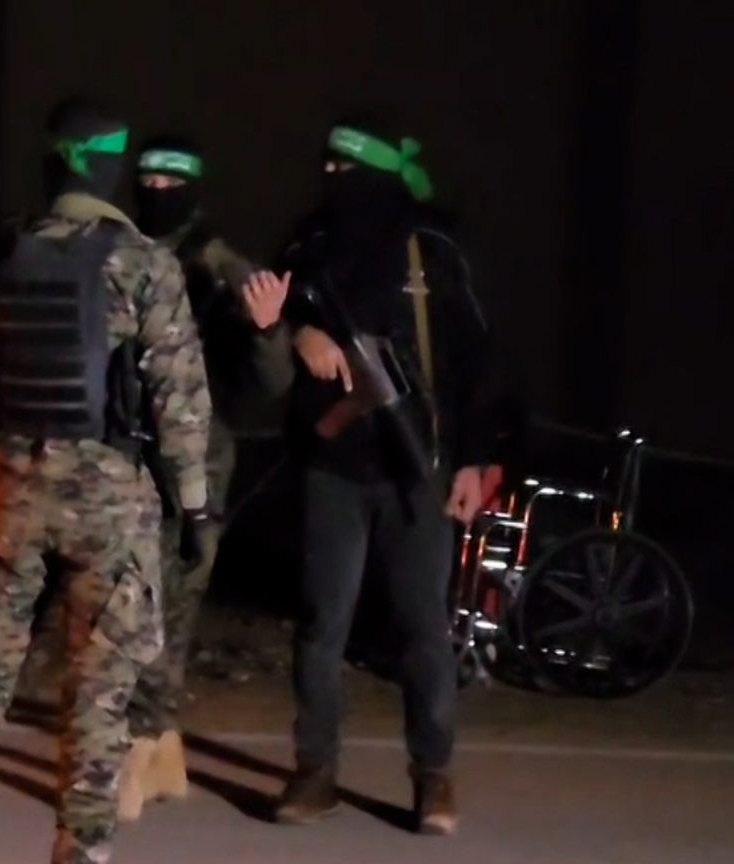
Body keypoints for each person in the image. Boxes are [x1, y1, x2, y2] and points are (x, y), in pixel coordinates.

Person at [0, 98, 213, 864]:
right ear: (112, 169)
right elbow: (179, 398)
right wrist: (194, 508)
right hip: (110, 501)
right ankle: (80, 852)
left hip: (9, 489)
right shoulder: (141, 261)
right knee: (97, 698)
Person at [272, 117, 499, 836]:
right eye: (327, 166)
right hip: (333, 466)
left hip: (417, 466)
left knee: (423, 628)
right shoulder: (311, 241)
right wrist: (300, 331)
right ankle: (315, 770)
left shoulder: (432, 247)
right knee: (322, 624)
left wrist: (475, 460)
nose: (333, 180)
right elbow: (275, 310)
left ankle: (433, 775)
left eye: (348, 169)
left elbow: (476, 360)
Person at [118, 135, 295, 819]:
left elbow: (270, 381)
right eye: (148, 180)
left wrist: (266, 331)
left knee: (168, 605)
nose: (158, 192)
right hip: (124, 451)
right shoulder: (121, 247)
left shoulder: (219, 266)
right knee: (133, 602)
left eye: (172, 182)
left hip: (196, 462)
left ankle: (140, 748)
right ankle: (158, 748)